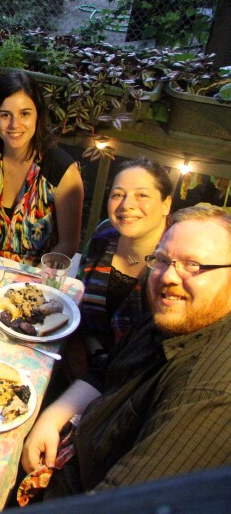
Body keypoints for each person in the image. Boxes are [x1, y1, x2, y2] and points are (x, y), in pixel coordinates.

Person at [21, 205, 231, 496]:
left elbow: (119, 503)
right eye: (162, 259)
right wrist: (53, 417)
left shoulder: (207, 396)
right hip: (69, 445)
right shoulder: (174, 316)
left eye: (193, 264)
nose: (169, 277)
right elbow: (108, 366)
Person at [0, 72, 84, 265]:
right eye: (5, 115)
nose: (15, 124)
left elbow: (68, 244)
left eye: (25, 114)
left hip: (38, 275)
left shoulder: (63, 171)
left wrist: (28, 279)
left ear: (38, 115)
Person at [72, 156, 172, 374]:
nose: (127, 205)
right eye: (118, 194)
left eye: (142, 195)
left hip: (134, 383)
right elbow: (78, 296)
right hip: (83, 357)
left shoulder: (175, 265)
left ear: (166, 204)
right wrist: (92, 352)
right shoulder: (105, 234)